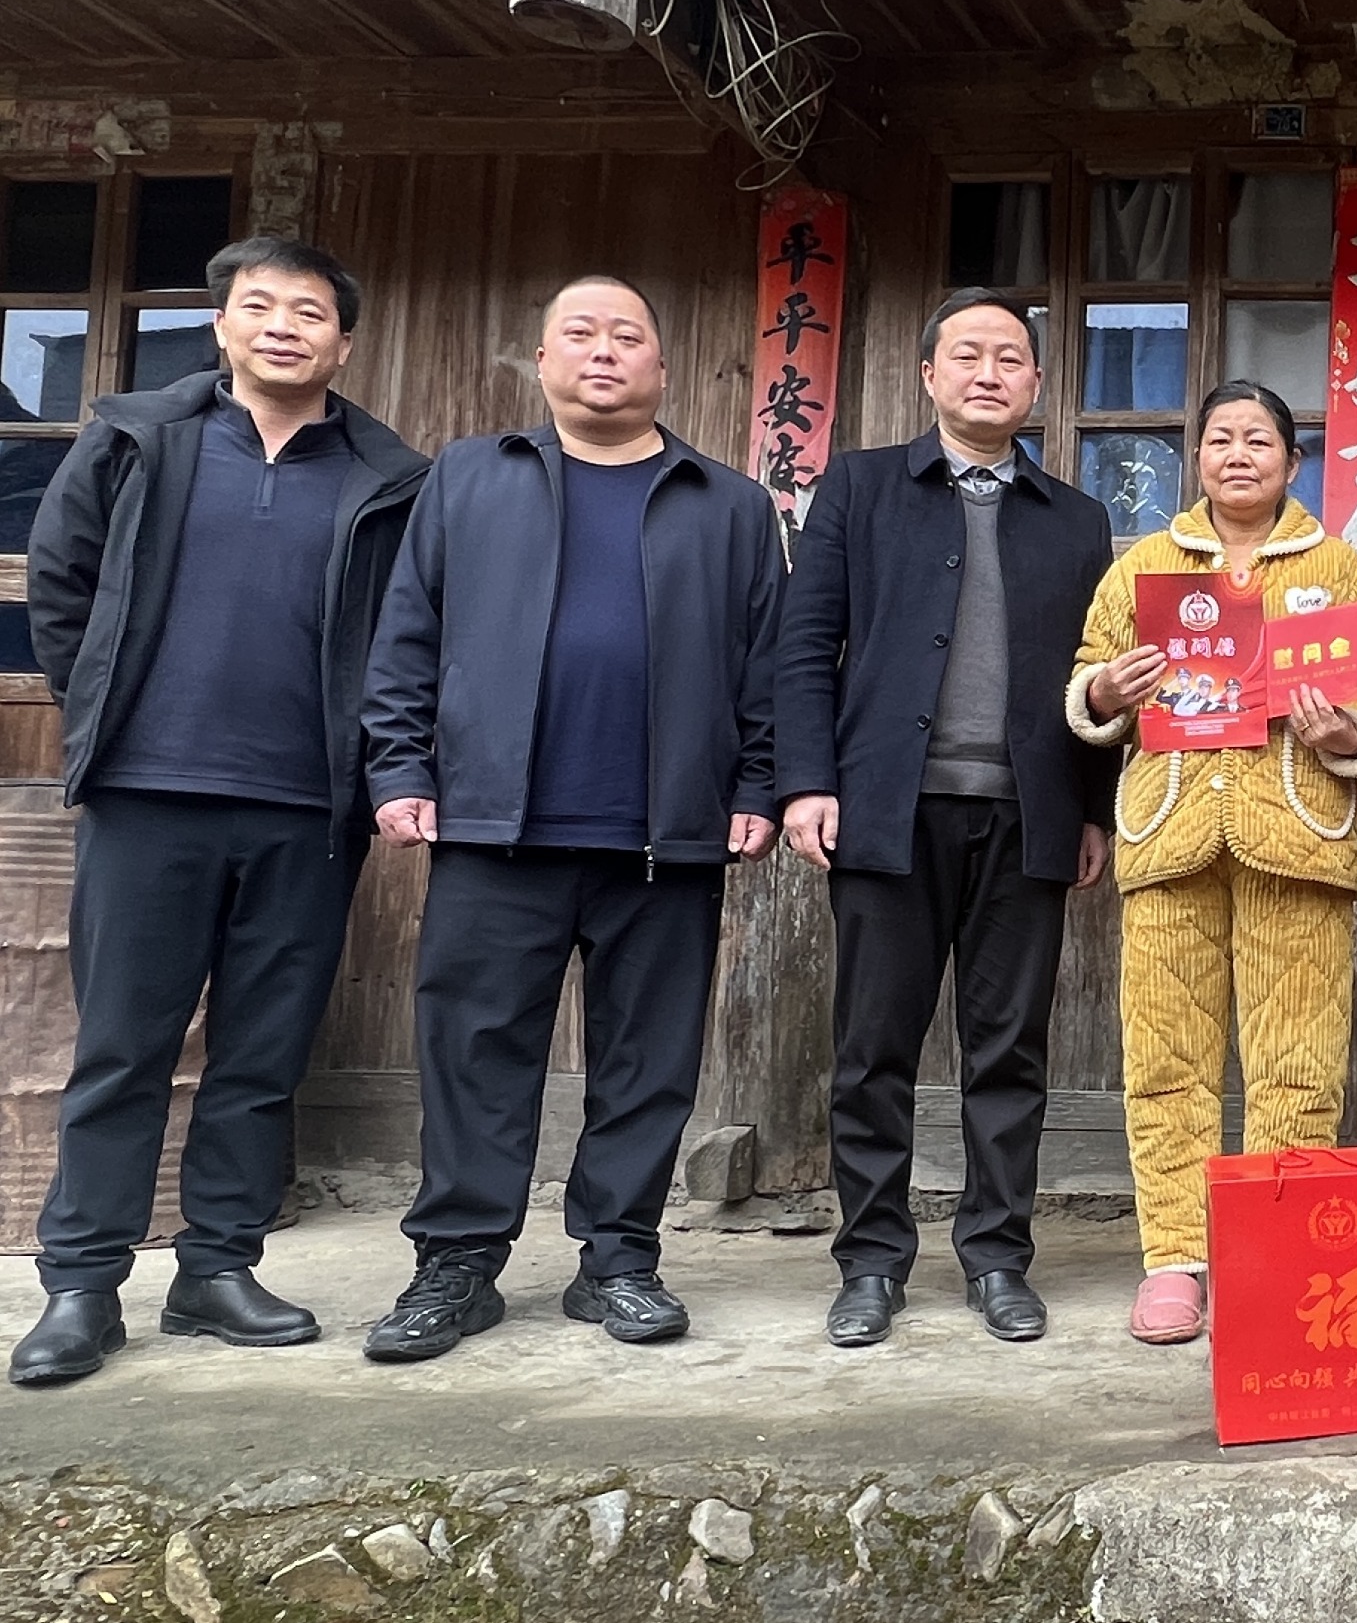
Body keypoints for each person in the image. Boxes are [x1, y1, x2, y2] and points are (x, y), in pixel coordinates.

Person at [9, 239, 428, 1389]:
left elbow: (411, 634)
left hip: (310, 807)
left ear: (345, 343)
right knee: (123, 1046)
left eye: (310, 312)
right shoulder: (139, 438)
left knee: (261, 1055)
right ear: (222, 326)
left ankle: (218, 1269)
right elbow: (61, 584)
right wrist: (105, 708)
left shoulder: (390, 476)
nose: (284, 326)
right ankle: (82, 1286)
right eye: (260, 306)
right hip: (150, 794)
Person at [357, 276, 783, 1363]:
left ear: (662, 369)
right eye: (579, 334)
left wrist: (755, 789)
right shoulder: (469, 477)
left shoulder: (729, 504)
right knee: (474, 1048)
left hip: (665, 833)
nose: (603, 352)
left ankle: (619, 1260)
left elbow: (768, 667)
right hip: (495, 825)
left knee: (648, 1059)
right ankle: (457, 1262)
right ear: (542, 362)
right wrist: (399, 768)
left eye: (627, 336)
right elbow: (407, 634)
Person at [774, 290, 1118, 1350]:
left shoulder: (1076, 518)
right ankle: (872, 1261)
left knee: (1009, 1051)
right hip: (889, 809)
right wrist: (806, 781)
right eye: (966, 355)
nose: (988, 373)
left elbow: (1098, 674)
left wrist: (1092, 808)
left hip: (1029, 814)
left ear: (1037, 385)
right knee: (873, 1047)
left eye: (1010, 358)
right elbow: (805, 644)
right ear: (928, 375)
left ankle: (998, 1258)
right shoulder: (862, 486)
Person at [1068, 380, 1357, 1345]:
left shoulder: (1338, 567)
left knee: (1298, 1061)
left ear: (1292, 462)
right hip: (1170, 836)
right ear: (1198, 458)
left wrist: (1348, 732)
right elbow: (1088, 677)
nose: (1238, 455)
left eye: (1259, 440)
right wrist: (1107, 689)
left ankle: (1278, 1252)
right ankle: (1174, 1259)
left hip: (1297, 840)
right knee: (1164, 1061)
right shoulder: (1144, 567)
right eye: (1220, 438)